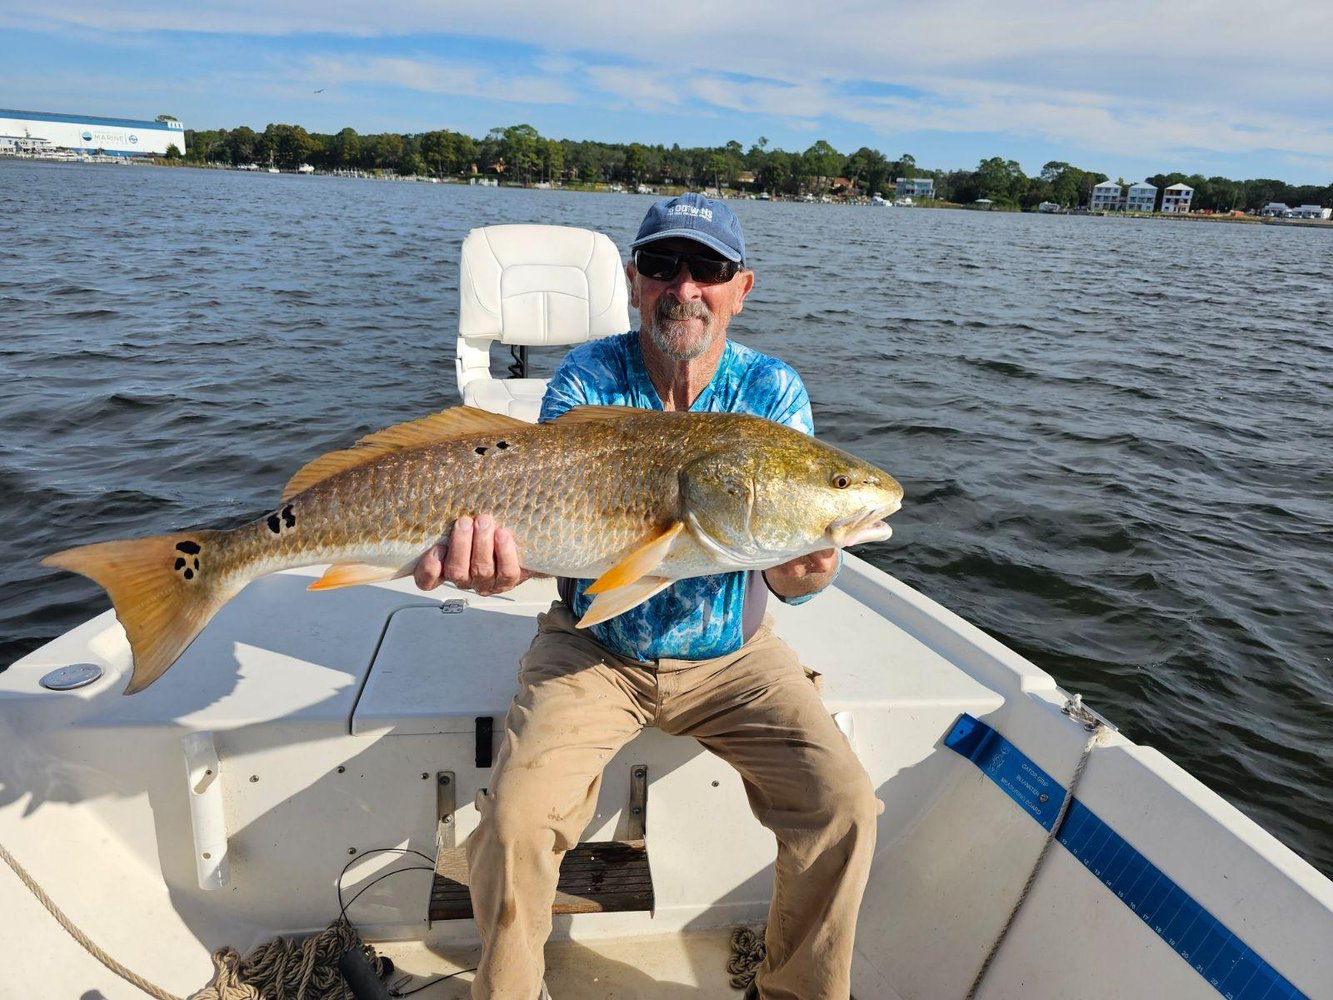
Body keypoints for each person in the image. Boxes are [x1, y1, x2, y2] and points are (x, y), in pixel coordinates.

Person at [415, 193, 880, 1000]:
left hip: (735, 657)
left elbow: (783, 563)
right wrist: (498, 564)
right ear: (635, 281)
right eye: (663, 266)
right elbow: (552, 539)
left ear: (742, 287)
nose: (684, 287)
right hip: (597, 647)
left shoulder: (771, 391)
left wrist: (807, 572)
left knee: (843, 804)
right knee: (518, 819)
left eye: (708, 269)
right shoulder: (590, 375)